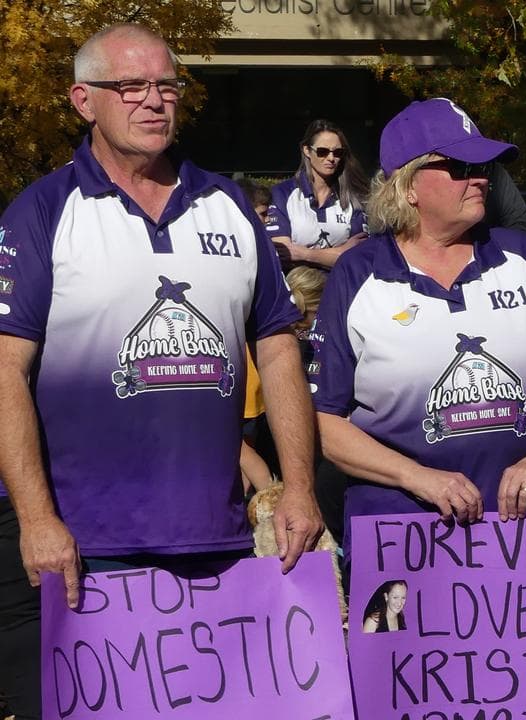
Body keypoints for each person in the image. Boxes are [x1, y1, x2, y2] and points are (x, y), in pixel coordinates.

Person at [0, 24, 323, 720]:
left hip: (223, 544)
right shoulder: (42, 212)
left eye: (167, 85)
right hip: (89, 550)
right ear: (84, 100)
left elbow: (276, 346)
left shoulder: (230, 205)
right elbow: (5, 372)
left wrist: (298, 485)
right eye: (132, 87)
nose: (154, 102)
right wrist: (35, 519)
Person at [310, 98, 526, 556]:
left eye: (483, 165)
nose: (481, 176)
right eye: (461, 165)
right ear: (409, 186)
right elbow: (326, 422)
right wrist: (418, 478)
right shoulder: (356, 275)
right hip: (403, 538)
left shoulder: (523, 257)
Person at [266, 119, 370, 269]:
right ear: (307, 150)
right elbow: (283, 256)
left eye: (338, 152)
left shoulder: (354, 197)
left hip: (340, 287)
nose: (331, 158)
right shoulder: (281, 194)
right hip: (297, 288)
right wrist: (338, 252)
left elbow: (357, 258)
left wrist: (304, 254)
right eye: (322, 152)